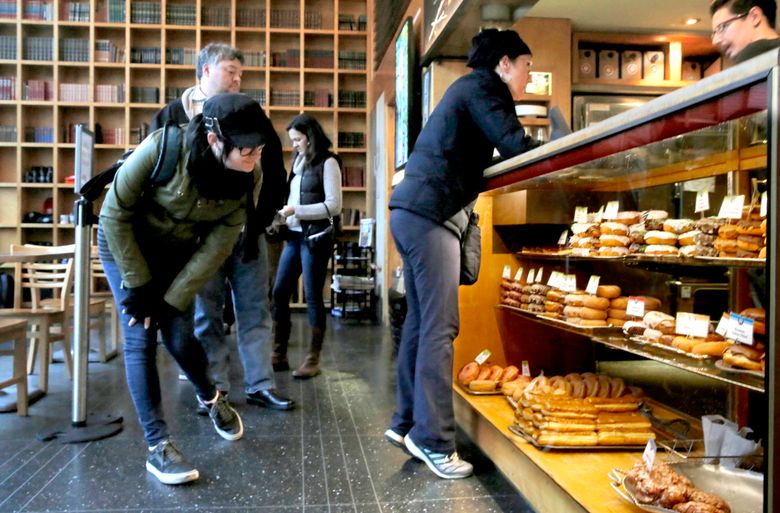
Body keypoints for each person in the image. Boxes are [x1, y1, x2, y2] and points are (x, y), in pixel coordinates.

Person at [384, 28, 538, 479]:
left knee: (420, 320)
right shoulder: (486, 88)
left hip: (412, 211)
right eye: (527, 65)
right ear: (505, 63)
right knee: (440, 326)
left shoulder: (466, 89)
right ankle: (433, 440)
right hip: (432, 217)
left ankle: (407, 422)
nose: (529, 76)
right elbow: (513, 143)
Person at [98, 93, 264, 485]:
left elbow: (218, 245)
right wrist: (139, 286)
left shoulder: (248, 176)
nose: (253, 157)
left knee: (178, 334)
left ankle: (210, 396)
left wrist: (170, 298)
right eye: (245, 150)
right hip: (126, 245)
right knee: (140, 335)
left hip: (179, 256)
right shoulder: (162, 148)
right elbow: (114, 214)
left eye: (258, 149)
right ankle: (158, 447)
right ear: (213, 140)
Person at [152, 43, 293, 411]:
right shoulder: (172, 116)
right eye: (230, 69)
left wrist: (262, 218)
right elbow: (157, 177)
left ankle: (261, 384)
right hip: (197, 239)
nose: (236, 78)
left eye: (240, 73)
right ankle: (214, 389)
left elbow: (275, 170)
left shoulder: (250, 113)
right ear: (204, 70)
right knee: (206, 313)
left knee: (255, 308)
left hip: (247, 232)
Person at [271, 114, 342, 379]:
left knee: (313, 295)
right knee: (279, 292)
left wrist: (295, 210)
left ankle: (313, 359)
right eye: (292, 141)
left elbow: (333, 206)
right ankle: (279, 353)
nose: (295, 145)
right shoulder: (298, 161)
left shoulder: (329, 162)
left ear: (310, 137)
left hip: (315, 238)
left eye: (298, 140)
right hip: (293, 235)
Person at [710, 0, 780, 63]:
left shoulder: (753, 54)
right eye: (714, 33)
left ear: (755, 16)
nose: (715, 41)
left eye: (722, 27)